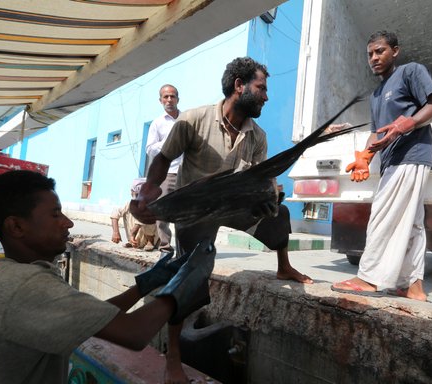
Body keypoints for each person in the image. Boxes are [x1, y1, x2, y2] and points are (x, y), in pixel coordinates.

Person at [131, 57, 313, 383]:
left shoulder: (257, 135)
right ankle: (173, 357)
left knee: (279, 214)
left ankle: (284, 264)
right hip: (196, 212)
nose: (266, 97)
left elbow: (262, 178)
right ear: (239, 86)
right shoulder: (192, 120)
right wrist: (147, 194)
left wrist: (271, 193)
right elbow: (162, 160)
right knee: (190, 276)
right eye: (261, 88)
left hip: (235, 205)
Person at [0, 170, 216, 384]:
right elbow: (134, 333)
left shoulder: (9, 275)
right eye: (55, 214)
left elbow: (92, 320)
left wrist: (143, 285)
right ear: (16, 226)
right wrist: (185, 281)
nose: (68, 223)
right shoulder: (28, 284)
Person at [331, 31, 432, 302]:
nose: (374, 58)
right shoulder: (377, 93)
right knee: (414, 225)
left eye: (379, 51)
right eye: (370, 54)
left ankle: (368, 278)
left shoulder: (410, 72)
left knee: (382, 216)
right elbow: (375, 132)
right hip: (393, 160)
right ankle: (413, 285)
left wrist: (409, 122)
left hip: (411, 154)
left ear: (395, 50)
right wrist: (364, 158)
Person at [146, 84, 182, 255]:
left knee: (185, 213)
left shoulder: (187, 119)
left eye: (172, 96)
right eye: (165, 97)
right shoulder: (157, 123)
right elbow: (150, 149)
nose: (169, 100)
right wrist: (168, 142)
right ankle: (165, 248)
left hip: (187, 173)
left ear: (178, 99)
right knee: (162, 213)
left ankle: (184, 249)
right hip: (167, 173)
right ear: (160, 100)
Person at [111, 177, 157, 251]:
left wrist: (133, 233)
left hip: (150, 236)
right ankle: (132, 241)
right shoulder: (130, 203)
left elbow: (141, 220)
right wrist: (116, 232)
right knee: (126, 212)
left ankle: (150, 241)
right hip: (134, 237)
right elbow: (115, 212)